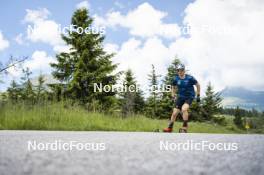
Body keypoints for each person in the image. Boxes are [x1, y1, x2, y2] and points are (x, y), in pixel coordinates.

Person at [163, 64, 200, 133]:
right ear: (177, 71)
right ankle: (169, 128)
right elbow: (173, 87)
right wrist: (173, 95)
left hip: (189, 96)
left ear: (184, 70)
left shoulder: (190, 78)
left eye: (182, 70)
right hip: (180, 97)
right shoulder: (176, 79)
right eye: (179, 70)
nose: (180, 72)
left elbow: (198, 85)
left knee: (184, 109)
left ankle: (184, 128)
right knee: (174, 113)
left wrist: (198, 95)